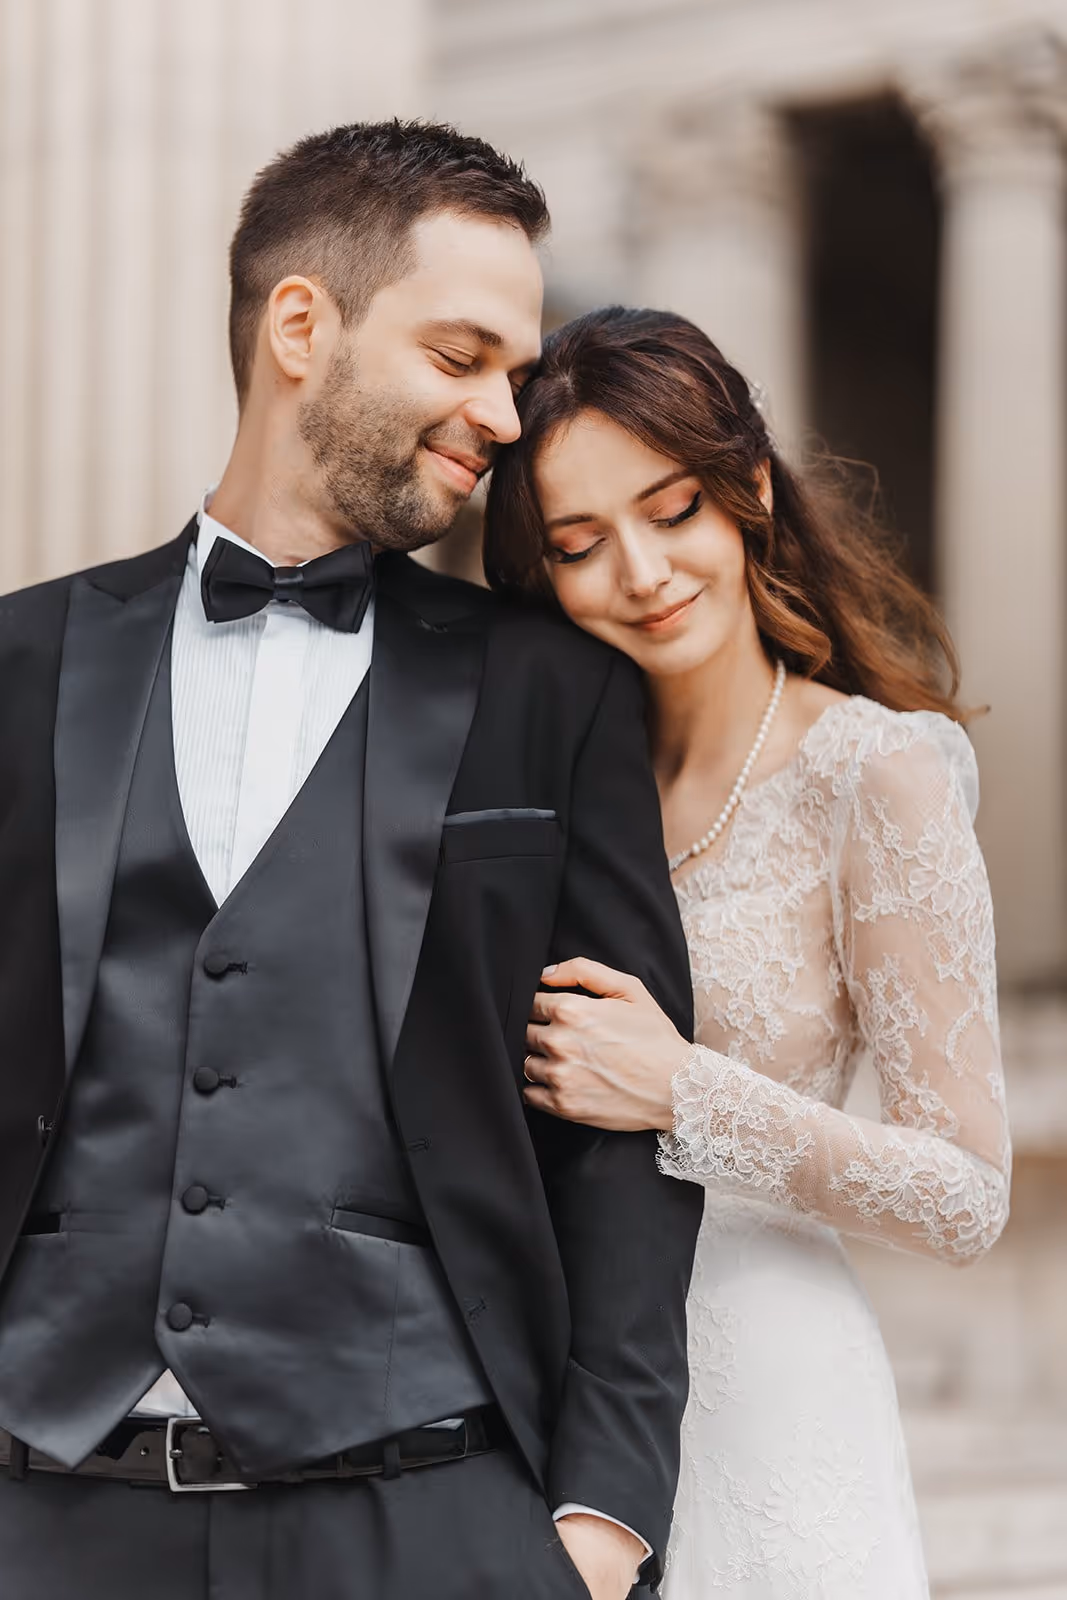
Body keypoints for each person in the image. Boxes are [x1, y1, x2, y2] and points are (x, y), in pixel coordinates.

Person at [0, 130, 704, 1600]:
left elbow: (624, 1125)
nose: (502, 416)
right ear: (300, 327)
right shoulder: (18, 662)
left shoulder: (548, 694)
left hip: (425, 1508)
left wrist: (605, 1515)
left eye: (514, 372)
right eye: (462, 356)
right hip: (41, 1510)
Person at [484, 306, 1012, 1599]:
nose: (643, 571)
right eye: (578, 543)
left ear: (746, 493)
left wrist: (682, 1092)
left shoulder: (868, 773)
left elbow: (964, 1194)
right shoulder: (525, 785)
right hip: (536, 1403)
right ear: (538, 574)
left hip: (770, 1398)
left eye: (672, 512)